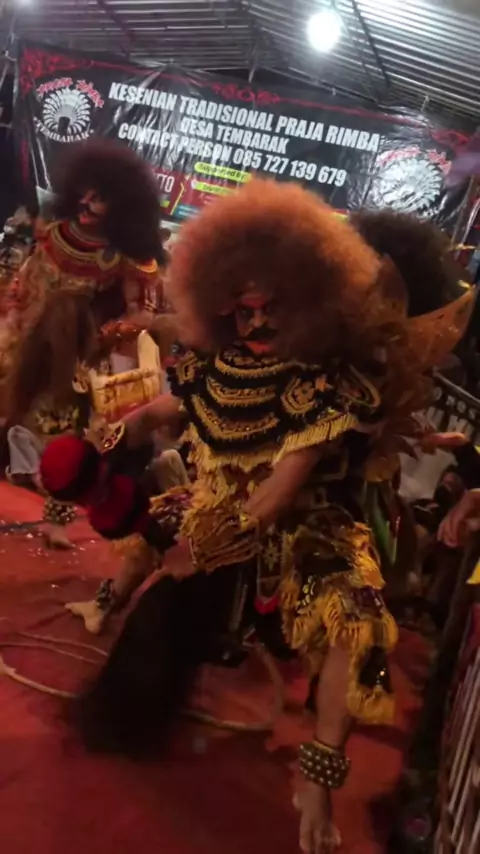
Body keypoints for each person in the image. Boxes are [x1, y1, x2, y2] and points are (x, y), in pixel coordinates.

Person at [39, 180, 469, 853]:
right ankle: (111, 617)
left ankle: (318, 784)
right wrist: (108, 440)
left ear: (310, 302)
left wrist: (201, 550)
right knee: (158, 558)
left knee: (356, 620)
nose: (259, 326)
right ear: (221, 305)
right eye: (244, 312)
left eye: (275, 309)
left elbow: (279, 495)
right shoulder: (214, 365)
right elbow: (160, 411)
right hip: (216, 507)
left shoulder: (323, 385)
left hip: (304, 525)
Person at [2, 139, 165, 547]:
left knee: (65, 439)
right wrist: (15, 308)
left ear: (123, 209)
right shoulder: (51, 232)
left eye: (100, 198)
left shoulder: (122, 260)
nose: (86, 203)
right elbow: (26, 277)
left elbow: (141, 314)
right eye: (85, 192)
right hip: (23, 340)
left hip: (73, 359)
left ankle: (55, 520)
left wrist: (104, 338)